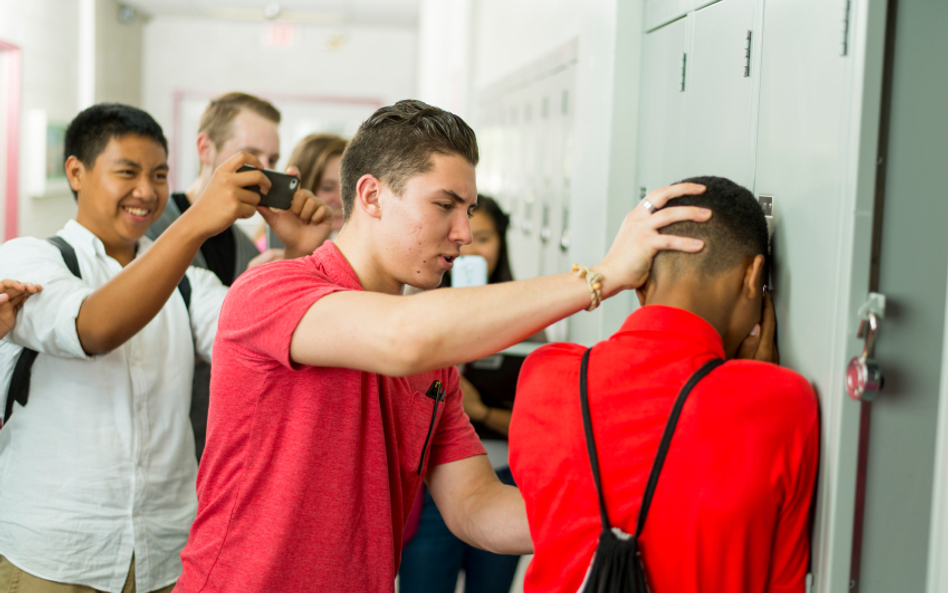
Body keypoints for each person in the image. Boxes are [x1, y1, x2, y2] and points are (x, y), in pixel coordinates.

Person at [175, 99, 713, 593]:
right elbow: (402, 337)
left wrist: (627, 512)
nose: (463, 231)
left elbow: (476, 506)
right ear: (371, 196)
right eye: (445, 205)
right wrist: (601, 277)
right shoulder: (271, 291)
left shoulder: (436, 366)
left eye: (470, 209)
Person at [0, 103, 331, 593]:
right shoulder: (32, 259)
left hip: (165, 554)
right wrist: (197, 221)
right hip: (54, 557)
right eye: (127, 173)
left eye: (158, 175)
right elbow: (92, 328)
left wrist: (302, 255)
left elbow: (269, 344)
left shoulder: (189, 285)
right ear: (76, 172)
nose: (147, 192)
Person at [508, 176, 819, 593]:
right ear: (753, 278)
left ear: (638, 279)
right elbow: (781, 580)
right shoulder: (783, 401)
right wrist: (757, 383)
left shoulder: (543, 377)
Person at [145, 92, 310, 460]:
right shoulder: (153, 230)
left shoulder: (247, 249)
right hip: (159, 440)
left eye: (273, 159)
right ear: (205, 148)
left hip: (222, 442)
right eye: (252, 156)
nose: (267, 171)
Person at [399, 196, 526, 593]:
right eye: (464, 237)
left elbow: (536, 425)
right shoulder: (412, 316)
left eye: (484, 237)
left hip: (505, 479)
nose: (470, 245)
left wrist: (482, 411)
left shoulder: (527, 319)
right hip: (431, 483)